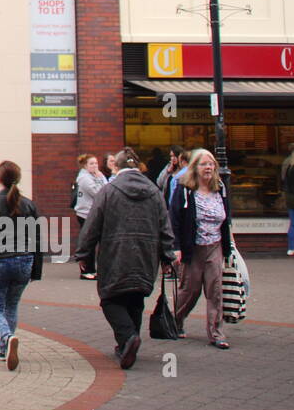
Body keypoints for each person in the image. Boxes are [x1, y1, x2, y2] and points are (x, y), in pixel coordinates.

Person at [74, 147, 176, 369]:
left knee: (110, 298)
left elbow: (92, 224)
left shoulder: (109, 191)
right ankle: (127, 345)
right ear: (137, 167)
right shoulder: (154, 191)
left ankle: (128, 338)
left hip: (115, 253)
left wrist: (83, 253)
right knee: (135, 297)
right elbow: (164, 225)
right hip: (146, 254)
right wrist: (167, 256)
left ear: (116, 167)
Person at [0, 160, 45, 370]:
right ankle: (4, 349)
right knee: (11, 305)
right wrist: (36, 270)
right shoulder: (29, 205)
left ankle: (6, 336)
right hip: (24, 260)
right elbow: (37, 239)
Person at [170, 149, 234, 349]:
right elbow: (175, 219)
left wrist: (229, 245)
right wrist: (176, 248)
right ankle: (175, 321)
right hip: (193, 247)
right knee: (190, 290)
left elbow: (227, 218)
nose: (208, 168)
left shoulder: (220, 188)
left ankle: (216, 333)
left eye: (211, 164)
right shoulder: (185, 189)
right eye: (204, 164)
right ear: (194, 167)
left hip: (214, 246)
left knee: (215, 290)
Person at [74, 153, 106, 280]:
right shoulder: (84, 178)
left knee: (92, 242)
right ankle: (87, 270)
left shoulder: (95, 175)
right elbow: (98, 193)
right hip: (85, 214)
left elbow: (107, 187)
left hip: (94, 213)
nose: (95, 166)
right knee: (88, 242)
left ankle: (92, 269)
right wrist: (100, 179)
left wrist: (100, 176)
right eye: (91, 163)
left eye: (96, 163)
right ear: (85, 166)